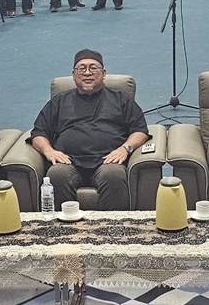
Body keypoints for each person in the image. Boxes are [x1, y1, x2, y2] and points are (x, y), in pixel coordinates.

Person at [30, 49, 150, 210]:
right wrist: (48, 151)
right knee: (56, 175)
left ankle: (113, 225)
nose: (87, 73)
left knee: (113, 175)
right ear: (74, 75)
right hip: (68, 161)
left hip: (108, 160)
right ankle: (64, 225)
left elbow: (140, 129)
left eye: (93, 68)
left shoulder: (121, 99)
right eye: (81, 68)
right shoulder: (59, 102)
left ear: (104, 73)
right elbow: (39, 132)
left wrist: (125, 149)